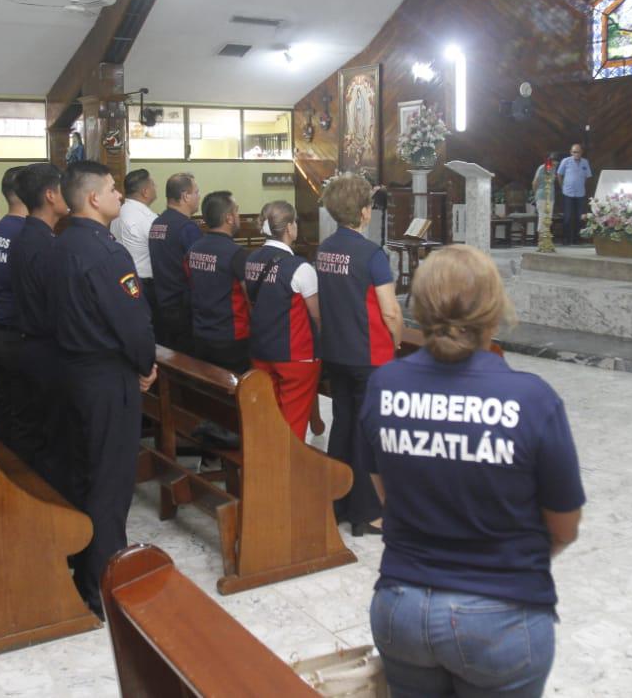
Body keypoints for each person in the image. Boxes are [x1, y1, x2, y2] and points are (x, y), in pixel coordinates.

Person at [360, 245, 585, 696]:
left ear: (418, 308)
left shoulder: (385, 385)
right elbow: (564, 527)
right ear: (495, 311)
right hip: (500, 614)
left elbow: (389, 495)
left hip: (402, 607)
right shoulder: (531, 398)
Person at [49, 161, 157, 615]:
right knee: (110, 482)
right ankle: (104, 583)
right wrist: (145, 364)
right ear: (93, 198)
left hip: (69, 371)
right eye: (114, 189)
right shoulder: (105, 252)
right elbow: (131, 322)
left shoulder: (59, 242)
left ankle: (81, 566)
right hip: (106, 377)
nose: (119, 195)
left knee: (83, 471)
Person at [316, 174, 402, 536]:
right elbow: (391, 312)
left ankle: (335, 502)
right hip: (370, 356)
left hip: (336, 351)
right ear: (365, 213)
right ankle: (367, 511)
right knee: (369, 433)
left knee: (343, 424)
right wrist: (396, 342)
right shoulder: (371, 254)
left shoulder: (324, 249)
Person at [9, 163, 70, 490]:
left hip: (29, 340)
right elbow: (56, 304)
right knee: (51, 431)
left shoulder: (29, 234)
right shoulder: (46, 244)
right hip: (45, 347)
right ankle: (50, 498)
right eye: (62, 190)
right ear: (50, 195)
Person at [245, 201, 323, 440]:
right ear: (290, 228)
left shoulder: (251, 260)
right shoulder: (299, 268)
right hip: (295, 356)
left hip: (261, 350)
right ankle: (288, 471)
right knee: (292, 425)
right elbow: (316, 315)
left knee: (271, 416)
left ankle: (269, 466)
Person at [0, 166, 28, 451]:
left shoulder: (2, 227)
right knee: (23, 412)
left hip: (0, 324)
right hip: (16, 333)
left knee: (10, 405)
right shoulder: (25, 233)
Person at [186, 191, 251, 373]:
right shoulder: (236, 254)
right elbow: (250, 298)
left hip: (200, 333)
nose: (238, 216)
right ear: (229, 218)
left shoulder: (193, 249)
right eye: (236, 212)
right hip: (231, 339)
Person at [148, 172, 202, 353]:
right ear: (186, 196)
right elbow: (198, 269)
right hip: (184, 307)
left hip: (162, 302)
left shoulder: (157, 223)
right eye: (196, 192)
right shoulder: (187, 228)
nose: (198, 197)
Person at [109, 168, 159, 319]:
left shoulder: (117, 212)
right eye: (153, 184)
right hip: (144, 284)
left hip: (121, 279)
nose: (156, 187)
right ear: (145, 191)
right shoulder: (148, 219)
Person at [555, 143, 591, 246]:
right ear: (571, 152)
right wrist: (562, 187)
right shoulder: (566, 161)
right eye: (574, 152)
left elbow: (587, 176)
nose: (576, 154)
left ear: (581, 152)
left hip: (580, 193)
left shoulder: (585, 162)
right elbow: (559, 174)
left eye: (578, 152)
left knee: (580, 217)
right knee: (568, 217)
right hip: (568, 193)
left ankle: (577, 239)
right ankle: (567, 239)